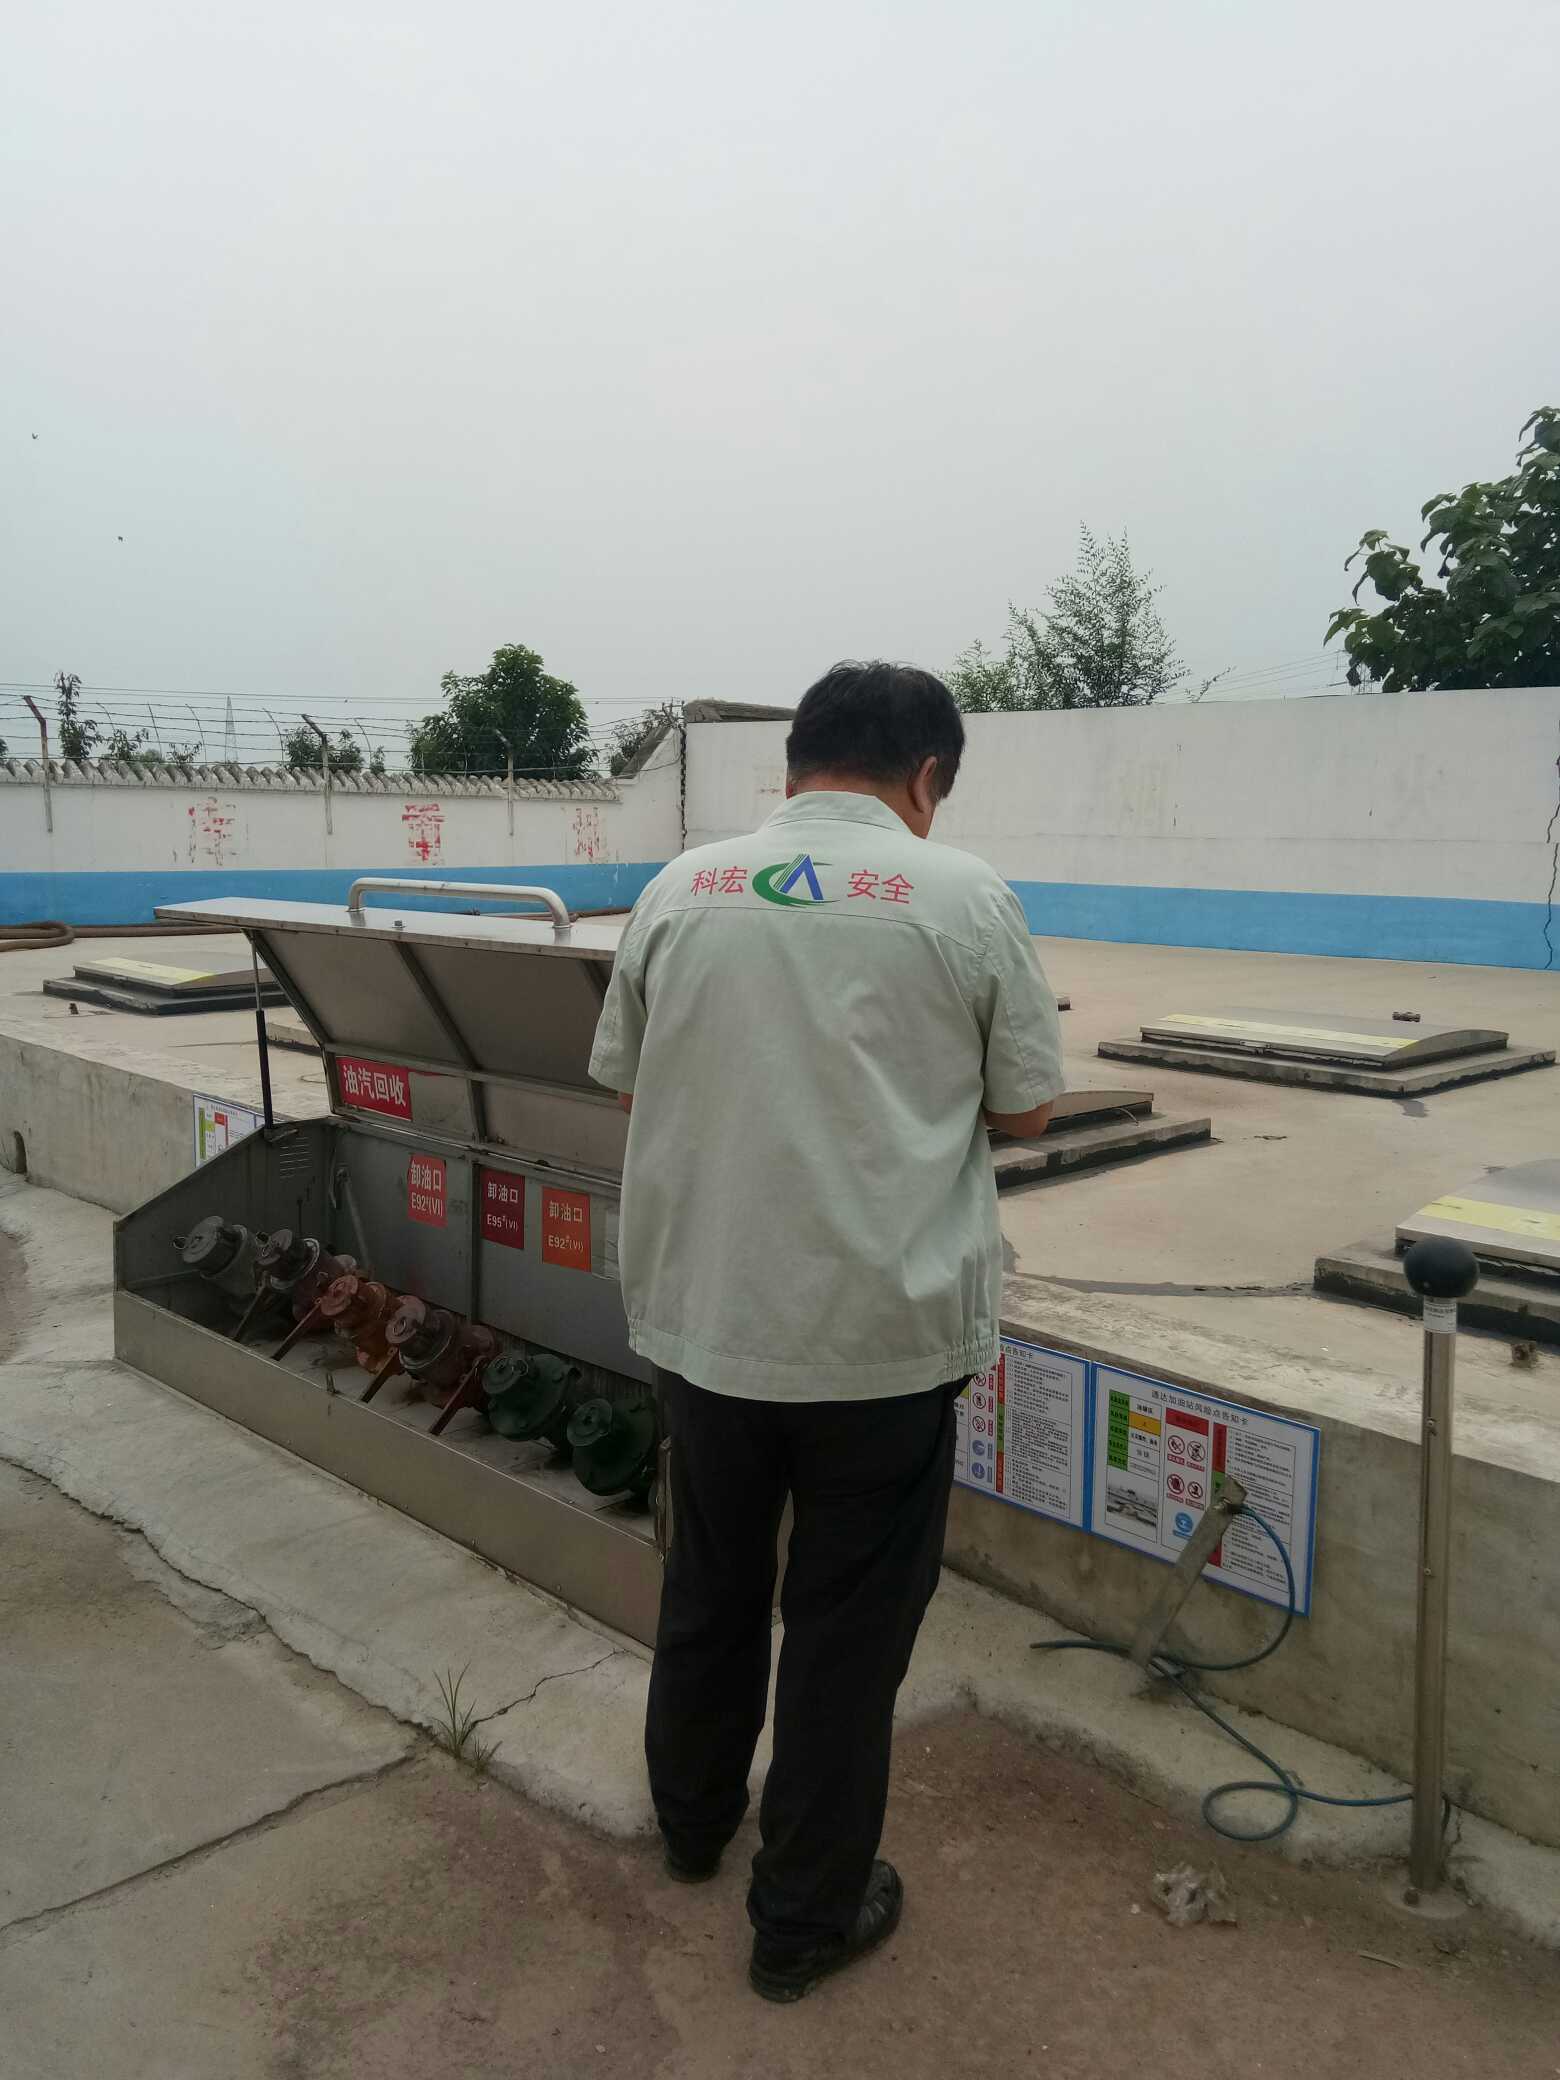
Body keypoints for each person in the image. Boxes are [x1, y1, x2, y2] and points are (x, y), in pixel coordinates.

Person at [589, 660, 1063, 2002]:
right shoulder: (964, 897)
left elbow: (630, 1086)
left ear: (791, 767)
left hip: (706, 1323)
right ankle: (801, 1919)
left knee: (711, 1581)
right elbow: (1026, 1111)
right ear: (928, 776)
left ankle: (693, 1827)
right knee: (846, 1634)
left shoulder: (681, 889)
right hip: (879, 1342)